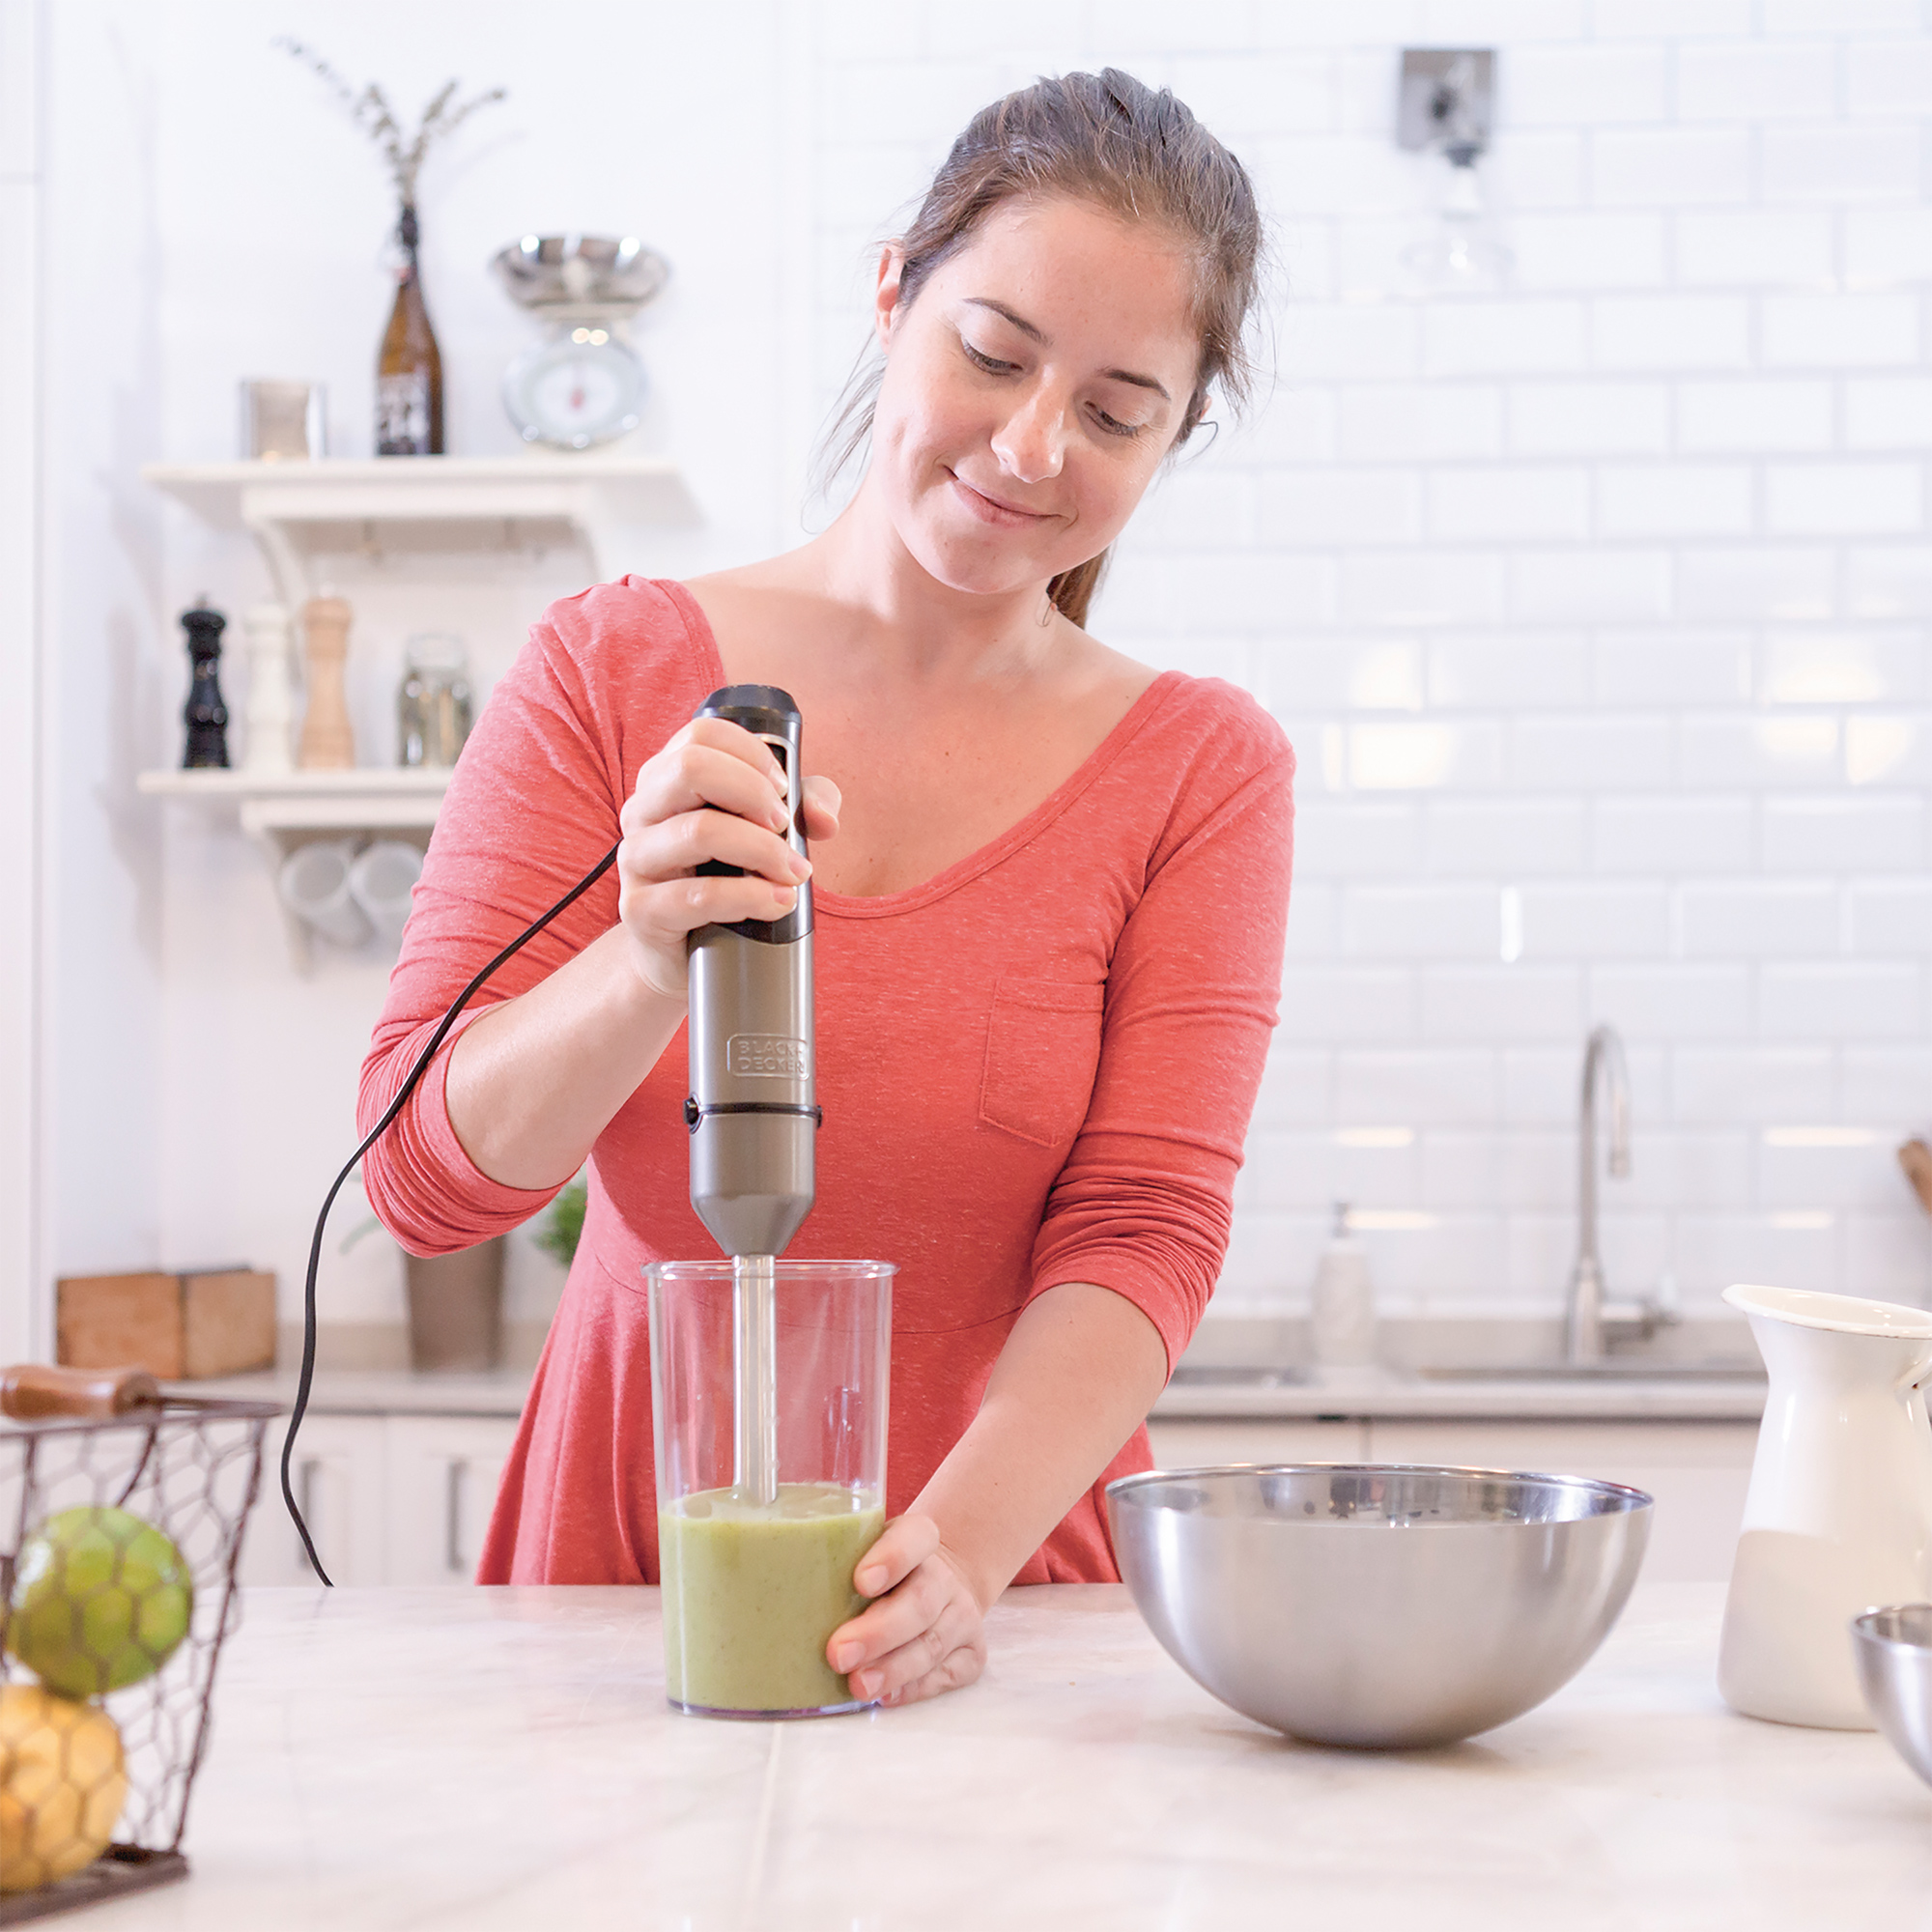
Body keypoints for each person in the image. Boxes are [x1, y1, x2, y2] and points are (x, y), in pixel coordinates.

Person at [360, 68, 1293, 1708]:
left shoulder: (1199, 770)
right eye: (992, 354)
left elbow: (1145, 1223)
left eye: (1114, 411)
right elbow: (425, 1184)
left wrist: (959, 1553)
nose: (1030, 446)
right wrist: (642, 957)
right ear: (892, 294)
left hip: (1001, 1603)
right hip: (629, 1578)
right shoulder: (608, 670)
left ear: (1180, 429)